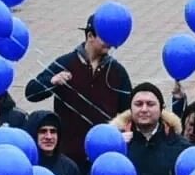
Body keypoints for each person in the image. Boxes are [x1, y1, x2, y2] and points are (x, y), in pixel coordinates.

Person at [25, 14, 133, 163]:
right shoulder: (65, 63)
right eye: (105, 37)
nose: (110, 43)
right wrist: (51, 81)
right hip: (69, 154)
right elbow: (30, 93)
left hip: (104, 154)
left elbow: (128, 110)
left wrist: (122, 132)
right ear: (90, 36)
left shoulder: (116, 71)